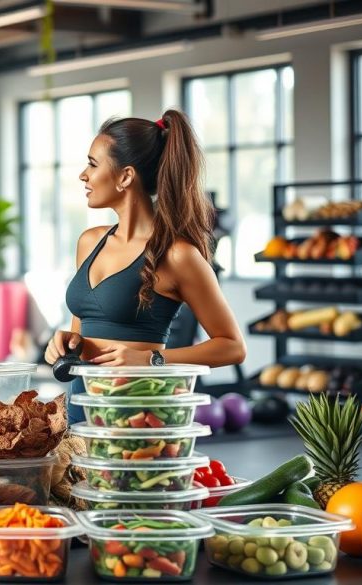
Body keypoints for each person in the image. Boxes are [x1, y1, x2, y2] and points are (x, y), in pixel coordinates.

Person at [43, 110, 246, 422]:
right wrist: (67, 345)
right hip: (81, 410)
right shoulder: (89, 242)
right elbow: (81, 332)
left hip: (140, 414)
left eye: (93, 164)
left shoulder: (178, 255)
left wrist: (150, 359)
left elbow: (232, 347)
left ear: (125, 176)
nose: (83, 175)